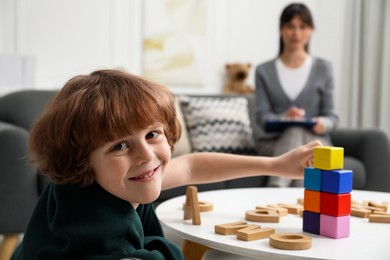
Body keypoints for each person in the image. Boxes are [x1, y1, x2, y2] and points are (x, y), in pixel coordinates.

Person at [11, 69, 321, 259]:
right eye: (120, 145)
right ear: (82, 160)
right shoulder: (105, 238)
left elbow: (192, 167)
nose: (145, 155)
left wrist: (277, 165)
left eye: (152, 134)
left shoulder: (95, 180)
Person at [254, 3, 339, 187]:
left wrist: (322, 123)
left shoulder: (324, 68)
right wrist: (284, 117)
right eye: (290, 26)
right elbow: (262, 117)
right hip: (274, 142)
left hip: (315, 139)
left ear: (311, 30)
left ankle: (275, 190)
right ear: (281, 29)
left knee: (309, 146)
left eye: (303, 27)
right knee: (300, 139)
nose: (296, 33)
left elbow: (332, 117)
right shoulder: (264, 71)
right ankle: (301, 206)